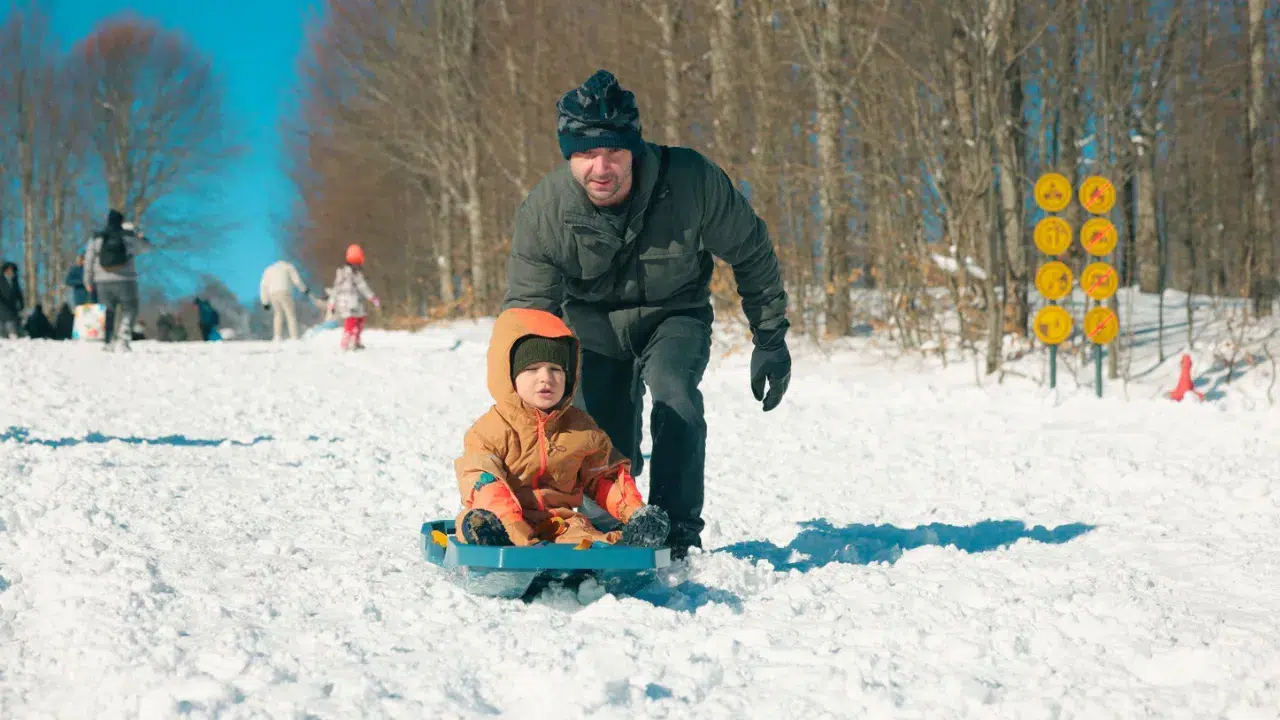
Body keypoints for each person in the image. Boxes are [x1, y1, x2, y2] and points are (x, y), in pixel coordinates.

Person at [501, 70, 792, 559]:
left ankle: (677, 531)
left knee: (676, 396)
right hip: (591, 327)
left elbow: (751, 251)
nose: (601, 167)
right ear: (569, 155)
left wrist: (770, 337)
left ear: (634, 148)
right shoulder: (545, 212)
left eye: (613, 152)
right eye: (586, 154)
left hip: (673, 314)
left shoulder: (691, 181)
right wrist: (519, 404)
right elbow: (527, 316)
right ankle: (616, 522)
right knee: (601, 438)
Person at [452, 307, 670, 548]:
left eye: (556, 369)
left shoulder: (581, 429)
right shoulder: (490, 429)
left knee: (592, 541)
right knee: (476, 524)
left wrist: (634, 513)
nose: (546, 378)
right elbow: (483, 479)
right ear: (509, 376)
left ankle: (628, 550)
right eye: (532, 369)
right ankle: (486, 539)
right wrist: (510, 523)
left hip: (559, 523)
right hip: (502, 520)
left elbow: (604, 477)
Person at [84, 209, 152, 351]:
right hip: (125, 279)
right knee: (130, 308)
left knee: (108, 311)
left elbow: (88, 260)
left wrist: (88, 281)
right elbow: (146, 248)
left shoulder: (97, 237)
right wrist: (140, 235)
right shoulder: (128, 236)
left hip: (102, 281)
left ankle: (108, 342)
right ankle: (123, 338)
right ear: (122, 222)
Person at [327, 244, 380, 350]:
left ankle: (354, 340)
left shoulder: (348, 272)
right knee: (352, 321)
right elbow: (362, 287)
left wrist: (331, 303)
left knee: (359, 318)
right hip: (349, 302)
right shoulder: (349, 272)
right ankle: (347, 342)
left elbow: (337, 288)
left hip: (349, 302)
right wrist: (373, 298)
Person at [259, 259, 310, 341]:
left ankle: (277, 337)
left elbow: (263, 285)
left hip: (272, 294)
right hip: (285, 292)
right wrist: (304, 289)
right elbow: (296, 280)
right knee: (290, 315)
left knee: (278, 314)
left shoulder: (269, 269)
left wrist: (265, 302)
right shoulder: (288, 267)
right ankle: (294, 336)